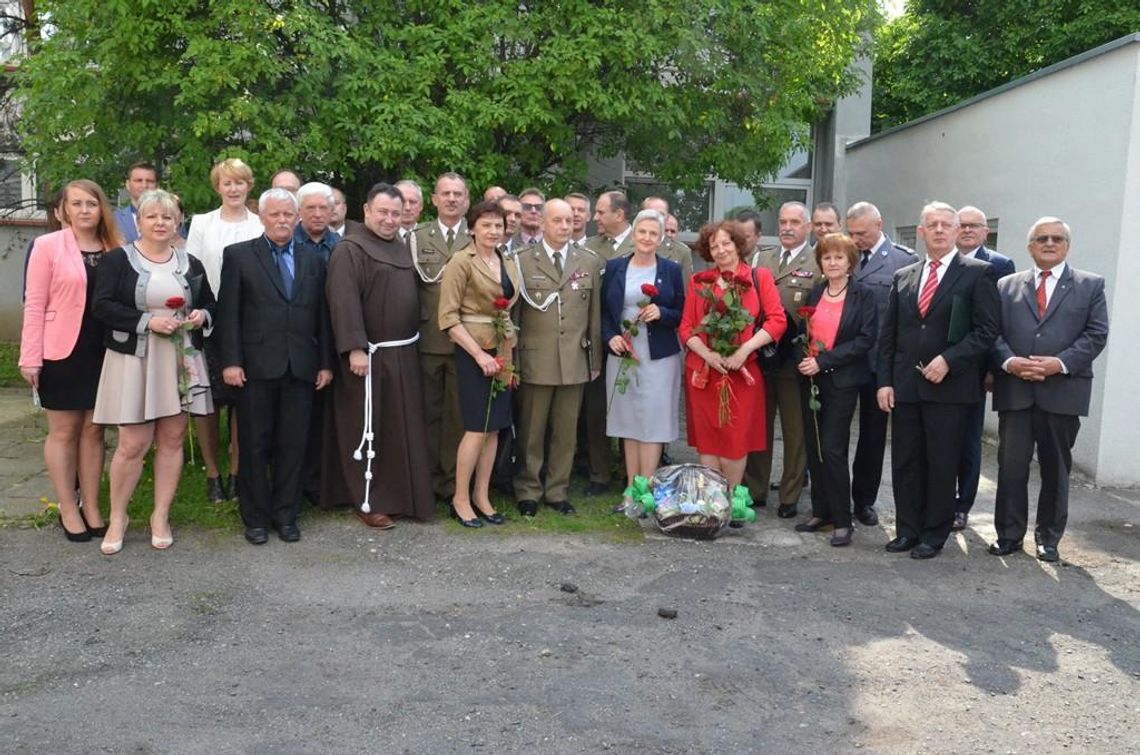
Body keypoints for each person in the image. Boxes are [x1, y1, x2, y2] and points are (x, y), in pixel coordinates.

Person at [92, 189, 214, 554]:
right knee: (133, 443)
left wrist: (201, 316)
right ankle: (118, 516)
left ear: (178, 222)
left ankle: (160, 515)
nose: (161, 223)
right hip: (137, 360)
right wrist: (147, 321)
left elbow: (209, 303)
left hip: (179, 358)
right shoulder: (117, 261)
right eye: (152, 217)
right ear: (138, 221)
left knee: (173, 438)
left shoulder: (190, 262)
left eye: (168, 217)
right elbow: (102, 306)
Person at [876, 202, 1000, 560]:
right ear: (921, 231)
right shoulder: (905, 276)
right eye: (933, 225)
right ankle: (907, 530)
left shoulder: (978, 273)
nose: (941, 230)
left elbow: (987, 330)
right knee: (906, 461)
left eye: (948, 224)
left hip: (950, 388)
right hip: (907, 387)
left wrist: (949, 360)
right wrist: (884, 382)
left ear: (958, 230)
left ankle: (934, 532)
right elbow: (890, 336)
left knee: (941, 462)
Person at [217, 188, 333, 545]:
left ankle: (286, 515)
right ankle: (255, 518)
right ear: (262, 217)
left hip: (300, 367)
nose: (282, 221)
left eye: (288, 215)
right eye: (275, 215)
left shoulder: (313, 259)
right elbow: (228, 314)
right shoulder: (239, 256)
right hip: (254, 368)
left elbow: (322, 317)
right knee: (253, 444)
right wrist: (231, 361)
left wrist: (326, 363)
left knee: (293, 444)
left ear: (296, 218)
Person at [988, 218, 1108, 563]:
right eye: (1042, 238)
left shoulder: (1090, 285)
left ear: (1067, 245)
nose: (1050, 243)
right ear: (1030, 247)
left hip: (1063, 390)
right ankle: (1009, 535)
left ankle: (1048, 538)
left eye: (1058, 238)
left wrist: (1059, 363)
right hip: (1016, 389)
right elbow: (992, 334)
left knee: (1055, 468)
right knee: (1011, 466)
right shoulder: (1006, 286)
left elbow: (1096, 334)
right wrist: (1010, 362)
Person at [322, 183, 436, 528]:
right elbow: (343, 302)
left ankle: (402, 496)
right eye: (383, 212)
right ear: (367, 211)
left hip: (402, 354)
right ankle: (367, 499)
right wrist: (355, 347)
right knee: (369, 427)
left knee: (399, 428)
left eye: (395, 214)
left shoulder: (400, 247)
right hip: (369, 356)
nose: (389, 220)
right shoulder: (350, 249)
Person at [20, 179, 122, 543]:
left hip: (106, 350)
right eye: (75, 204)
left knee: (95, 430)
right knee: (64, 431)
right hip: (61, 350)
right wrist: (30, 357)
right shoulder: (46, 246)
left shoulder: (115, 247)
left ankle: (92, 506)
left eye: (90, 203)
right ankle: (67, 506)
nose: (83, 210)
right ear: (62, 210)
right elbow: (33, 304)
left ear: (101, 208)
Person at [512, 199, 602, 517]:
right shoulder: (522, 260)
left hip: (574, 360)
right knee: (531, 431)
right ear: (543, 223)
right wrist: (514, 362)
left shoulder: (588, 261)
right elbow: (514, 316)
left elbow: (593, 316)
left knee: (566, 433)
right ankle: (528, 490)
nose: (565, 226)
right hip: (536, 360)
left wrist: (595, 361)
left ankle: (557, 490)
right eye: (558, 221)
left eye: (569, 220)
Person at [680, 220, 785, 490]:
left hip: (742, 372)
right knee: (708, 441)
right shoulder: (698, 282)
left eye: (726, 243)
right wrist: (707, 355)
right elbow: (686, 327)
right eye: (714, 246)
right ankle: (710, 502)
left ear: (738, 245)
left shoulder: (758, 278)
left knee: (735, 442)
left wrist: (744, 349)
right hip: (703, 372)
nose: (721, 250)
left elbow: (777, 321)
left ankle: (729, 500)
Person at [438, 200, 522, 526]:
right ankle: (460, 497)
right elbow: (448, 317)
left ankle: (482, 495)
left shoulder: (507, 260)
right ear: (472, 227)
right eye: (486, 225)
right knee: (476, 428)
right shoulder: (461, 261)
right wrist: (478, 354)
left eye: (498, 226)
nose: (493, 231)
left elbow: (508, 308)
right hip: (474, 351)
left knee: (496, 428)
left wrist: (504, 355)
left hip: (502, 350)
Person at [185, 157, 263, 503]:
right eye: (227, 182)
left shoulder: (260, 224)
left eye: (240, 182)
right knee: (207, 401)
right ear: (217, 187)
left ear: (249, 186)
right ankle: (212, 474)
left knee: (243, 403)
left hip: (249, 323)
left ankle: (236, 473)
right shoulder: (202, 223)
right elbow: (191, 272)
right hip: (207, 320)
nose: (233, 188)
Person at [793, 233, 877, 546]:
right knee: (814, 448)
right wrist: (803, 357)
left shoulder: (863, 295)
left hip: (843, 380)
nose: (832, 262)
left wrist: (824, 362)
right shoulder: (816, 292)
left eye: (839, 257)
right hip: (812, 380)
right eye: (827, 257)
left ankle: (843, 520)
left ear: (850, 262)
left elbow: (865, 340)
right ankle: (822, 511)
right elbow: (805, 333)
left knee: (832, 448)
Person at [602, 210, 685, 497]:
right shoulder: (614, 268)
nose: (647, 238)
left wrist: (662, 312)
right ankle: (630, 486)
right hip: (623, 351)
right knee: (628, 418)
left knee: (653, 418)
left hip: (659, 355)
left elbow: (681, 313)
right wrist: (610, 336)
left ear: (661, 238)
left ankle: (647, 488)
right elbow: (603, 312)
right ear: (634, 233)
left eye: (654, 233)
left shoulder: (671, 270)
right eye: (642, 232)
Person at [844, 201, 915, 526]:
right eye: (851, 232)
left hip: (878, 366)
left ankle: (864, 501)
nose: (855, 239)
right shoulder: (842, 253)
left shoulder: (904, 260)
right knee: (836, 435)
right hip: (844, 362)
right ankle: (833, 497)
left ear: (879, 224)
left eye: (862, 233)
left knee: (872, 437)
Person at [745, 201, 818, 517]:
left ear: (808, 226)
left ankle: (789, 496)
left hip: (795, 359)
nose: (787, 227)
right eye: (783, 221)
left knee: (795, 430)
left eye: (794, 222)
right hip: (761, 356)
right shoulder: (762, 257)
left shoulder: (817, 260)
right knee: (758, 425)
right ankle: (755, 489)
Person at [952, 205, 1015, 531]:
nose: (966, 230)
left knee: (969, 439)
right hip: (944, 364)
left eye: (973, 226)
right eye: (960, 225)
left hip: (977, 368)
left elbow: (999, 322)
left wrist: (994, 368)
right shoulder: (945, 261)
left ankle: (963, 506)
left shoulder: (1000, 265)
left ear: (985, 231)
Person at [413, 172, 472, 505]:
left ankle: (452, 484)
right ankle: (425, 480)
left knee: (457, 417)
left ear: (466, 201)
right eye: (445, 193)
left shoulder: (477, 237)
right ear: (434, 199)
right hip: (428, 341)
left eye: (458, 194)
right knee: (427, 414)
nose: (452, 199)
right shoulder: (416, 238)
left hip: (466, 342)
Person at [640, 196, 694, 281]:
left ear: (667, 218)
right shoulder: (626, 246)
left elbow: (684, 291)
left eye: (661, 214)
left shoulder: (682, 252)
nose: (656, 217)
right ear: (641, 215)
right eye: (651, 213)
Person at [112, 162, 159, 243]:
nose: (144, 185)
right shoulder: (113, 219)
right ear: (128, 184)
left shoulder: (172, 218)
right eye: (138, 180)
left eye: (150, 181)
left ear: (157, 186)